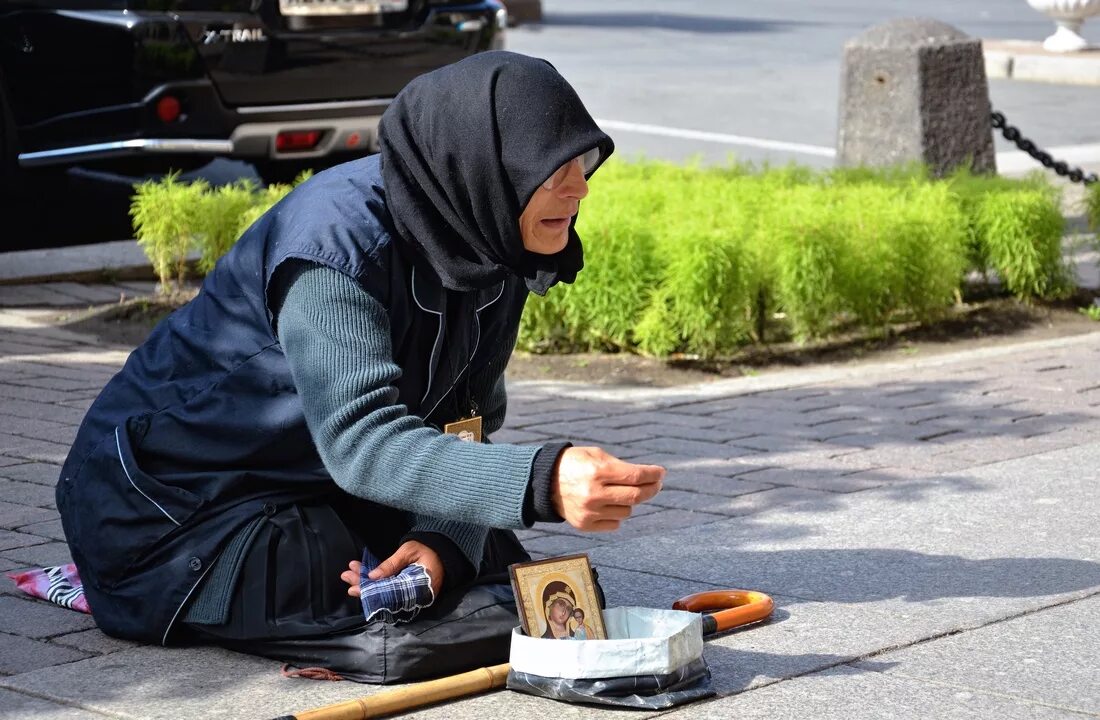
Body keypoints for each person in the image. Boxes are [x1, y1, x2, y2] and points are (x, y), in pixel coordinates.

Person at [54, 50, 665, 680]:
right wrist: (543, 481)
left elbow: (468, 415)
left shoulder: (488, 228)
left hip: (305, 476)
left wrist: (442, 544)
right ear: (486, 164)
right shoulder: (335, 249)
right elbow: (361, 442)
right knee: (327, 572)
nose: (580, 187)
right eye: (555, 168)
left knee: (485, 558)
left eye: (583, 163)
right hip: (169, 504)